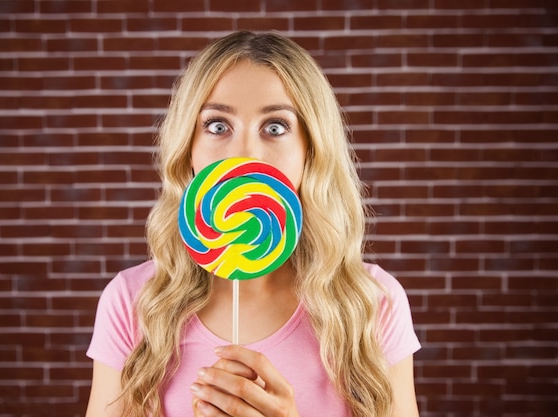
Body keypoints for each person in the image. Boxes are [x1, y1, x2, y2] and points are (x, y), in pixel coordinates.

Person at [85, 31, 421, 417]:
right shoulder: (132, 303)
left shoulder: (372, 304)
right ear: (188, 147)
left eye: (275, 127)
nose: (245, 153)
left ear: (311, 151)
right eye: (217, 125)